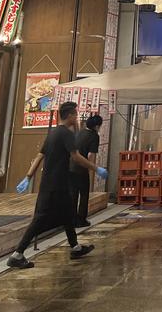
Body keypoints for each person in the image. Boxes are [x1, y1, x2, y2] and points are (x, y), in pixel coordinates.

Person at [7, 101, 107, 269]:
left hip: (55, 183)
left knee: (68, 214)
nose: (76, 118)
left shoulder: (53, 133)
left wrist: (29, 177)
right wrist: (96, 168)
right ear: (69, 116)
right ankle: (17, 254)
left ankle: (75, 247)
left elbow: (40, 156)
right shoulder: (66, 134)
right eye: (75, 115)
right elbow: (75, 156)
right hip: (55, 184)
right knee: (39, 219)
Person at [71, 113, 103, 227]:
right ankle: (81, 220)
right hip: (82, 167)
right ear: (97, 126)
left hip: (71, 167)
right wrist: (92, 168)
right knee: (84, 194)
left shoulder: (80, 132)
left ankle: (72, 220)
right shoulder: (94, 136)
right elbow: (91, 155)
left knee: (73, 194)